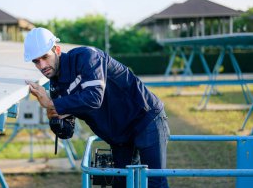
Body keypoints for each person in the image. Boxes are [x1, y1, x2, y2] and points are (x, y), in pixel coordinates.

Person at [24, 27, 170, 188]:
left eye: (45, 57)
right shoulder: (56, 87)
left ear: (57, 50)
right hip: (119, 135)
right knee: (121, 184)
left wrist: (52, 104)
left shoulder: (87, 57)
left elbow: (94, 98)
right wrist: (53, 115)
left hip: (146, 118)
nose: (42, 65)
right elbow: (66, 132)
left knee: (155, 183)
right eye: (36, 61)